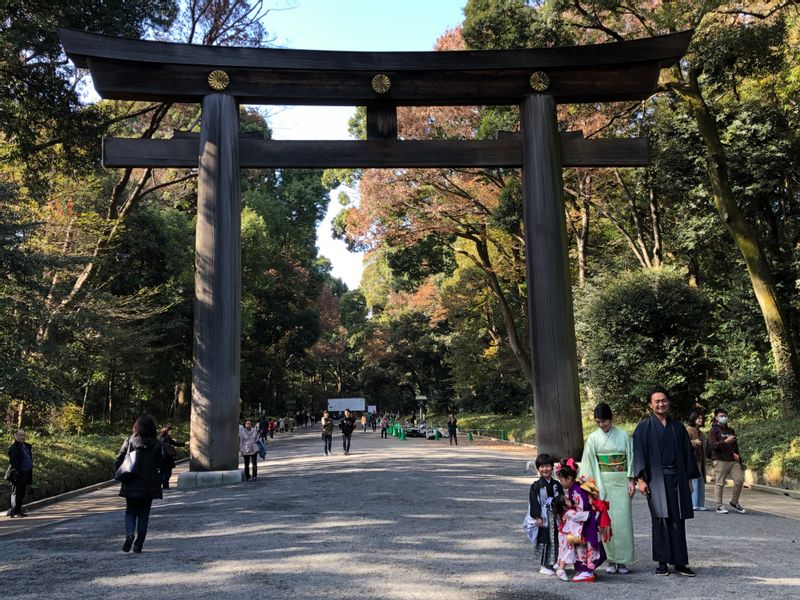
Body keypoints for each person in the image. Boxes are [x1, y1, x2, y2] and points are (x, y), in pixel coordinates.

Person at [633, 386, 699, 577]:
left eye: (663, 400)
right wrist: (640, 479)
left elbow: (687, 454)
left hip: (677, 478)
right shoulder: (644, 427)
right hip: (655, 479)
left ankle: (680, 562)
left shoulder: (678, 427)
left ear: (668, 402)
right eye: (657, 401)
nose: (661, 404)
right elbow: (639, 453)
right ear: (650, 405)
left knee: (678, 518)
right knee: (660, 518)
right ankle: (662, 562)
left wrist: (688, 479)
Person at [580, 402, 635, 574]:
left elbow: (631, 458)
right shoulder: (593, 438)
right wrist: (592, 490)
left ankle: (623, 561)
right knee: (605, 521)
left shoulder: (624, 436)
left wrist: (631, 480)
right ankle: (610, 560)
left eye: (604, 421)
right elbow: (588, 465)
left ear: (611, 419)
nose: (601, 425)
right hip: (602, 483)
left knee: (623, 522)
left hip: (621, 481)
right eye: (598, 422)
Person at [116, 414, 164, 553]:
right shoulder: (156, 444)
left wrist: (121, 474)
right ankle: (138, 545)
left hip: (131, 482)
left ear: (137, 427)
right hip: (149, 485)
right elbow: (160, 463)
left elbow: (118, 459)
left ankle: (130, 534)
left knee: (130, 511)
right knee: (144, 515)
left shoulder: (129, 441)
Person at [555, 458, 608, 582]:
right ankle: (586, 569)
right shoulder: (576, 486)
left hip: (587, 521)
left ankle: (588, 571)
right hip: (584, 521)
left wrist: (569, 513)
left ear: (568, 478)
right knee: (581, 546)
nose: (561, 482)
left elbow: (583, 511)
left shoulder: (577, 490)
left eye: (561, 480)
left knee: (585, 546)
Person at [522, 453, 564, 576]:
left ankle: (554, 563)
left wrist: (561, 512)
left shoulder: (556, 484)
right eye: (542, 466)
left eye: (548, 466)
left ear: (552, 467)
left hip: (554, 517)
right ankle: (544, 565)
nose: (545, 469)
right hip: (544, 518)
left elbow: (561, 498)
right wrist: (537, 517)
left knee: (555, 540)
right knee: (544, 540)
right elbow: (533, 502)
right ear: (538, 469)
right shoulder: (536, 486)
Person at [708, 408, 746, 514]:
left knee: (739, 480)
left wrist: (738, 457)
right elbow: (712, 446)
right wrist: (725, 442)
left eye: (725, 415)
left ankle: (734, 502)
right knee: (720, 483)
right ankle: (719, 505)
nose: (723, 418)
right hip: (720, 460)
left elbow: (735, 445)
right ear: (716, 418)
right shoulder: (713, 430)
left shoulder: (731, 431)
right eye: (721, 416)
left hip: (733, 460)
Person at [6, 429, 33, 518]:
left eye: (24, 435)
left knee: (21, 493)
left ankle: (19, 510)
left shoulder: (26, 446)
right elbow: (13, 462)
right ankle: (14, 512)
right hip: (17, 474)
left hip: (26, 473)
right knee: (16, 493)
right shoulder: (14, 448)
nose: (22, 437)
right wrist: (20, 471)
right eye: (20, 435)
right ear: (16, 436)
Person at [685, 410, 708, 511]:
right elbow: (683, 443)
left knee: (700, 482)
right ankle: (693, 503)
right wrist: (694, 442)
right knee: (694, 481)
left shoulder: (701, 432)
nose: (700, 420)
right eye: (698, 418)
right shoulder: (688, 430)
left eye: (701, 418)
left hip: (700, 459)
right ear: (693, 419)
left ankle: (700, 504)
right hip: (692, 459)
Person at [157, 425, 186, 490]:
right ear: (167, 431)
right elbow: (175, 443)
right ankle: (165, 486)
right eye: (170, 431)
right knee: (168, 472)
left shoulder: (158, 438)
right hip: (167, 458)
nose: (171, 432)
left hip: (161, 458)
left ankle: (159, 485)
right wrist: (184, 444)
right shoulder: (167, 438)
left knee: (162, 472)